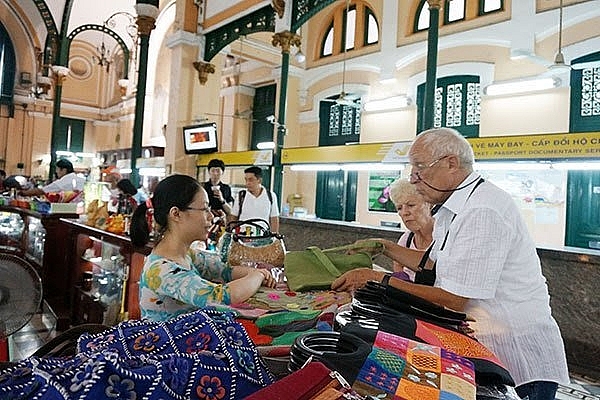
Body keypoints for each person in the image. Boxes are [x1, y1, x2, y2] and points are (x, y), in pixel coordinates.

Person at [331, 128, 569, 400]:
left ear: (451, 163)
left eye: (420, 168)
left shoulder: (482, 210)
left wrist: (377, 280)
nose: (413, 178)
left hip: (517, 354)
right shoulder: (451, 208)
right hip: (485, 346)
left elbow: (454, 299)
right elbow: (429, 265)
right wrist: (384, 247)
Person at [129, 174, 276, 322]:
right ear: (176, 214)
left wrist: (256, 272)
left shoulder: (187, 255)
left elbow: (224, 270)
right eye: (205, 209)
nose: (211, 216)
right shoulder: (162, 270)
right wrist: (258, 276)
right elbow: (220, 296)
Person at [387, 178, 434, 281]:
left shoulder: (443, 237)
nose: (404, 212)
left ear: (429, 204)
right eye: (399, 208)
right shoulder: (406, 239)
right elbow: (398, 268)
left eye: (411, 205)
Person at [229, 166, 280, 232]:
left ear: (259, 180)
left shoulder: (271, 196)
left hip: (262, 235)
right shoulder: (241, 196)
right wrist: (233, 234)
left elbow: (274, 218)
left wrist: (274, 237)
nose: (247, 183)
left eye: (251, 180)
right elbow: (234, 217)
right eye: (246, 180)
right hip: (243, 235)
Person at [19, 159, 85, 197]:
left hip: (67, 211)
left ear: (64, 170)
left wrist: (23, 193)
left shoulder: (64, 181)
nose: (56, 172)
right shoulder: (81, 180)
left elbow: (42, 191)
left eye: (57, 169)